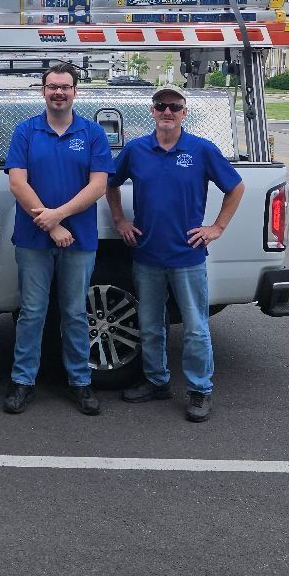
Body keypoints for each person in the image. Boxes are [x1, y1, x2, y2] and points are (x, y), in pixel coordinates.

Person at [106, 84, 245, 423]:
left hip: (187, 257)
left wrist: (217, 228)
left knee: (196, 328)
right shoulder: (136, 150)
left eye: (174, 106)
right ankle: (156, 381)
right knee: (151, 324)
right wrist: (120, 219)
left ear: (184, 113)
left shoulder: (201, 150)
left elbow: (236, 186)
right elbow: (109, 183)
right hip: (147, 255)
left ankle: (200, 390)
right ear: (151, 111)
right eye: (161, 105)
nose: (167, 112)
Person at [2, 62, 114, 416]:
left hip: (79, 239)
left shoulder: (92, 133)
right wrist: (49, 224)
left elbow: (99, 185)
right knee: (32, 312)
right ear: (43, 91)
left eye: (65, 87)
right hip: (34, 239)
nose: (58, 92)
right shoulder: (26, 131)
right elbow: (18, 182)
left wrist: (59, 215)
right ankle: (23, 382)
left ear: (75, 91)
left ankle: (80, 383)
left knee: (76, 313)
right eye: (52, 87)